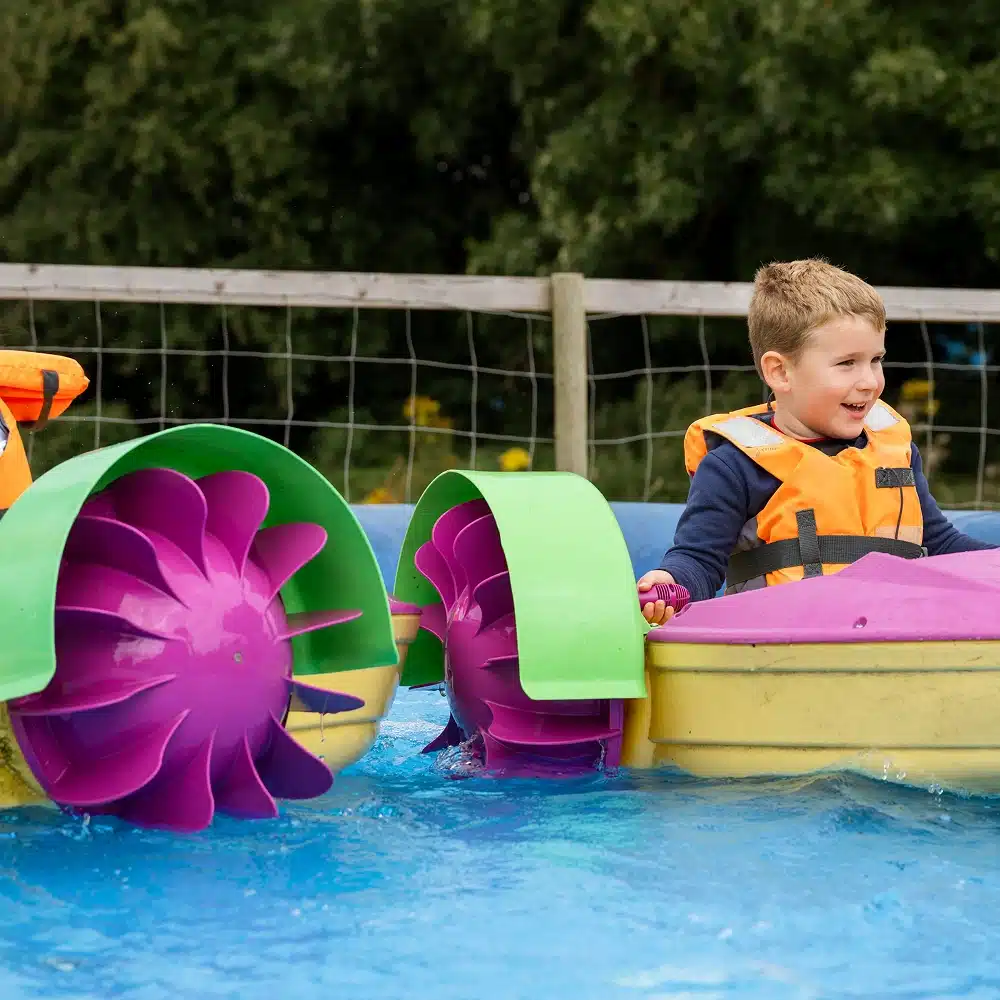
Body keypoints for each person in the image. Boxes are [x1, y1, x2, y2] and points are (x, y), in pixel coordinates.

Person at [637, 258, 997, 626]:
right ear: (780, 371)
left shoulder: (895, 449)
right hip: (783, 653)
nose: (870, 381)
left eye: (875, 360)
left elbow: (941, 545)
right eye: (847, 363)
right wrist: (671, 584)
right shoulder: (734, 466)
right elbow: (698, 561)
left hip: (896, 641)